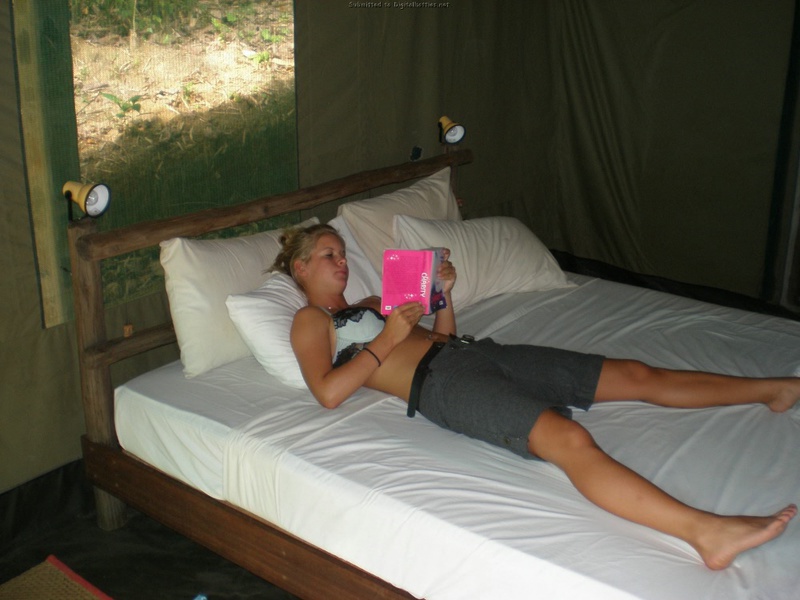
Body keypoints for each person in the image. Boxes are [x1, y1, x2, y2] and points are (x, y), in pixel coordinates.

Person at [273, 223, 798, 571]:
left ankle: (774, 389)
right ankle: (706, 533)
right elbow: (327, 393)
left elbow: (441, 336)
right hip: (441, 385)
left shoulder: (374, 299)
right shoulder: (310, 321)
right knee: (566, 438)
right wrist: (388, 338)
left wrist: (443, 296)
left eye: (343, 253)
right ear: (301, 268)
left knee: (633, 373)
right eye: (328, 255)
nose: (342, 261)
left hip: (475, 353)